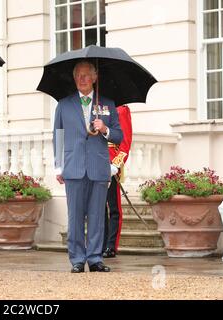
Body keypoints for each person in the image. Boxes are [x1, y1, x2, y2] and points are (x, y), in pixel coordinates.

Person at [53, 60, 123, 273]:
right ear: (74, 79)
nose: (82, 79)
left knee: (96, 216)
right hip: (73, 168)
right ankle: (76, 258)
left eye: (86, 75)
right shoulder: (63, 104)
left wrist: (105, 129)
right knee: (75, 217)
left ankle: (94, 258)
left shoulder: (107, 105)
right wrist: (58, 166)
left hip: (98, 167)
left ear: (94, 78)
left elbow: (119, 136)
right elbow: (59, 136)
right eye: (78, 75)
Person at [103, 104, 133, 258]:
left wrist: (115, 164)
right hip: (96, 162)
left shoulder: (121, 109)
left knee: (113, 207)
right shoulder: (95, 107)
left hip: (112, 163)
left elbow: (125, 142)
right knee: (98, 208)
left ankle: (111, 245)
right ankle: (100, 244)